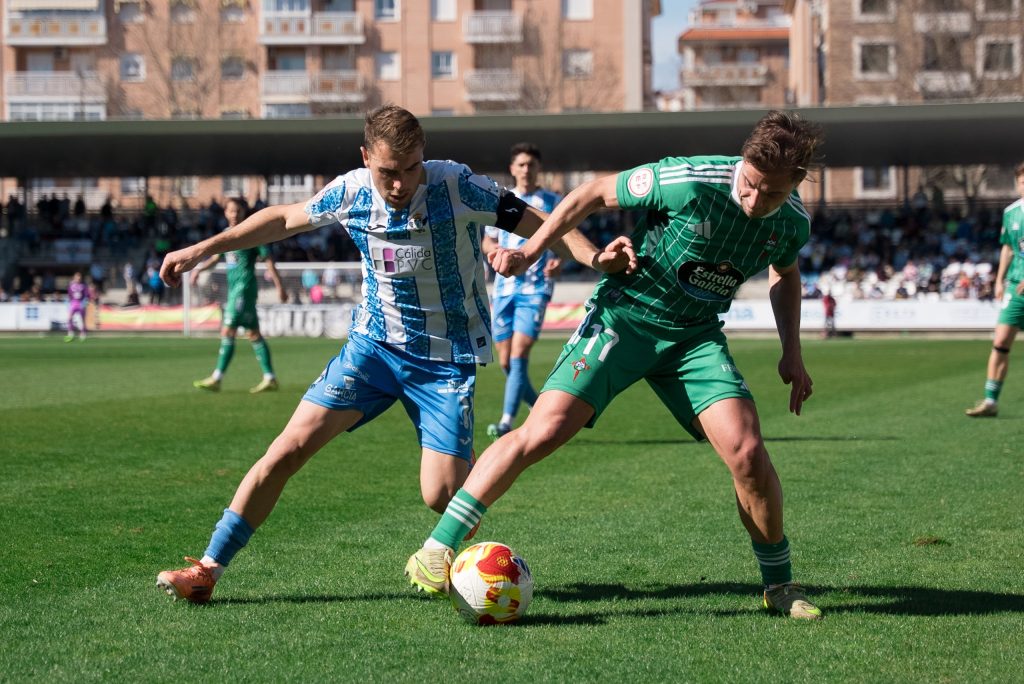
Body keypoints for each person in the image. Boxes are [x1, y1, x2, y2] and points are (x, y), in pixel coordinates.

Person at [154, 104, 635, 603]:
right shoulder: (353, 190)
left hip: (445, 360)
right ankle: (208, 568)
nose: (402, 183)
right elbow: (280, 219)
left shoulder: (456, 185)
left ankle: (463, 482)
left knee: (440, 496)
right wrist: (204, 248)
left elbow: (536, 217)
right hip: (373, 349)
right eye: (388, 171)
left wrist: (591, 257)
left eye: (411, 169)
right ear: (366, 157)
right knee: (286, 450)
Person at [407, 110, 826, 620]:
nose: (756, 201)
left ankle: (779, 586)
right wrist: (532, 251)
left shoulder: (792, 221)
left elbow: (786, 273)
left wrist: (792, 350)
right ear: (743, 162)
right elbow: (590, 195)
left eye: (773, 194)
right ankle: (437, 548)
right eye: (752, 185)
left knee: (747, 452)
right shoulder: (686, 180)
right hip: (623, 320)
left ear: (797, 183)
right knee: (543, 431)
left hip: (693, 339)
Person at [482, 143, 563, 441]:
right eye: (521, 164)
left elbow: (566, 239)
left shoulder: (553, 201)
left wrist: (559, 261)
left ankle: (506, 422)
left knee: (518, 356)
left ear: (538, 168)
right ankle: (542, 410)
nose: (526, 169)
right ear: (512, 168)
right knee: (505, 361)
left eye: (531, 164)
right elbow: (487, 240)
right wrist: (494, 251)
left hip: (535, 288)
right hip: (504, 289)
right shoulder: (502, 201)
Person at [190, 197, 288, 394]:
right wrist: (200, 269)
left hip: (244, 289)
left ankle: (217, 378)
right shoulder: (226, 235)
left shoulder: (251, 233)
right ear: (225, 213)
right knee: (253, 334)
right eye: (231, 211)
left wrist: (280, 287)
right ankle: (270, 377)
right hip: (236, 290)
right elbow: (218, 257)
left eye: (238, 211)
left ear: (244, 213)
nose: (234, 214)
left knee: (227, 331)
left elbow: (268, 259)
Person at [965, 162, 1024, 418]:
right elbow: (1008, 248)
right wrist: (999, 280)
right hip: (1016, 285)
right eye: (1022, 181)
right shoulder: (1011, 212)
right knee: (1000, 341)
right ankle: (991, 401)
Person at [65, 271, 90, 342]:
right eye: (77, 277)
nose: (78, 278)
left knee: (82, 319)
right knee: (69, 318)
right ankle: (70, 333)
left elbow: (86, 295)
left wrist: (84, 302)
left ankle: (83, 333)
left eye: (79, 277)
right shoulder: (71, 285)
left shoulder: (83, 285)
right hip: (73, 303)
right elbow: (69, 294)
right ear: (74, 277)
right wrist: (68, 302)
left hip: (80, 303)